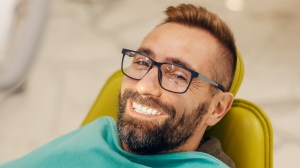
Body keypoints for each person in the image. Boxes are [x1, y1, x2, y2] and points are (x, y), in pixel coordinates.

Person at [1, 3, 237, 168]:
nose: (144, 87)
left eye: (178, 76)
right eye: (142, 62)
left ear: (217, 108)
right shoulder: (98, 136)